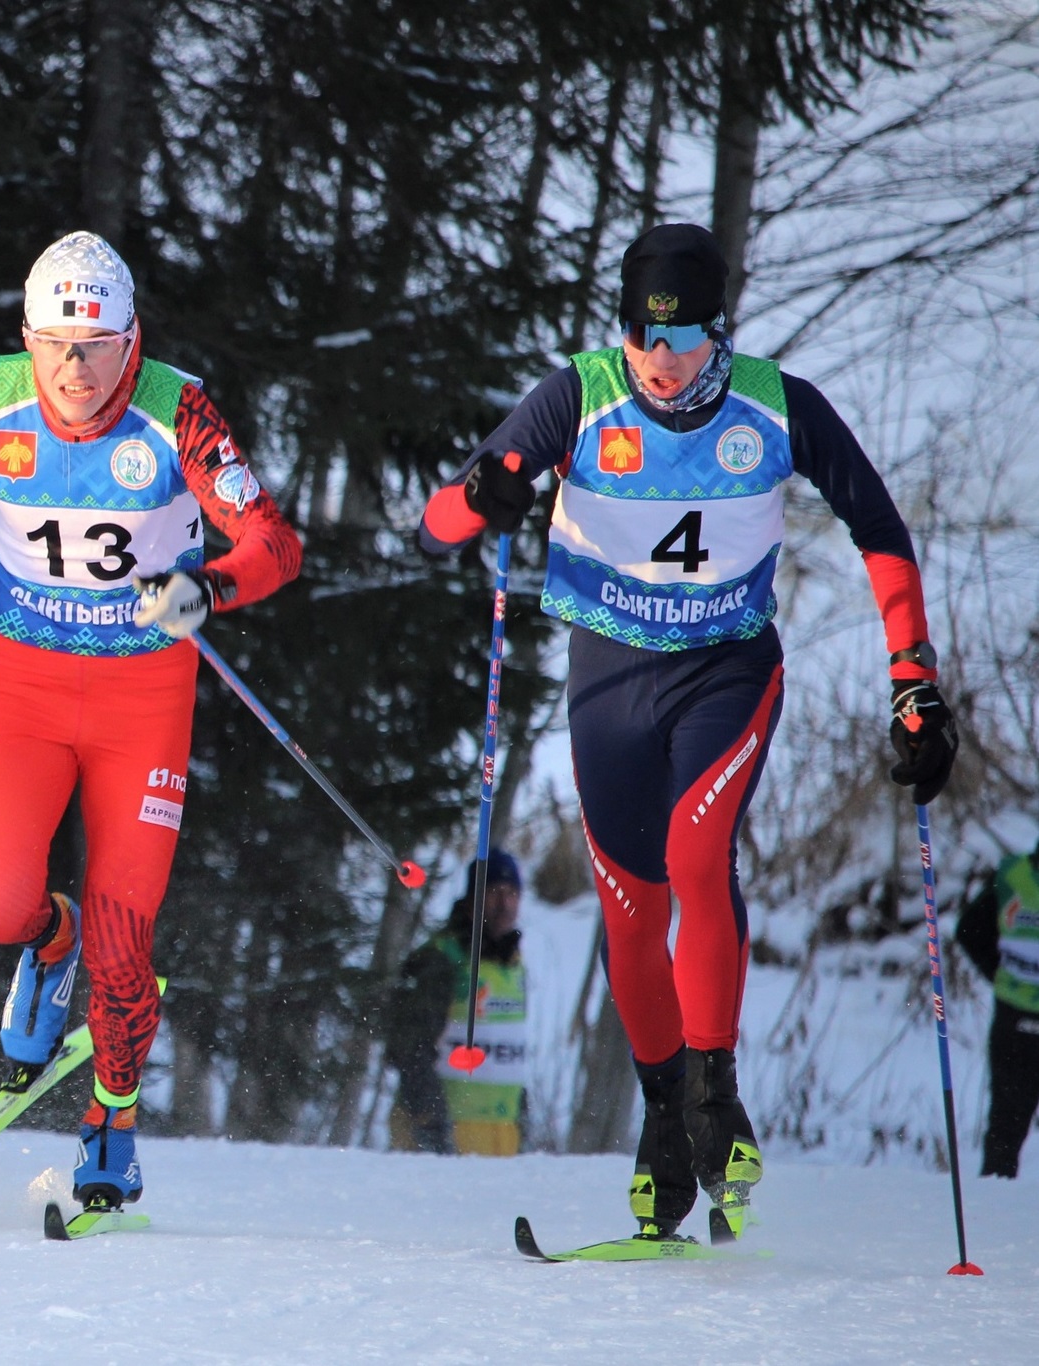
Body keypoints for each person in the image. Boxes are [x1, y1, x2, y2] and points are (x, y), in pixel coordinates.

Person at [419, 223, 958, 1241]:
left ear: (720, 331)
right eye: (640, 338)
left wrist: (911, 680)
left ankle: (717, 1090)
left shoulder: (776, 404)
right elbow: (436, 525)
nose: (658, 362)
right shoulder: (577, 395)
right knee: (629, 907)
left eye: (681, 340)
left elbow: (879, 528)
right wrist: (481, 495)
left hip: (726, 670)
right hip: (607, 680)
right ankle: (664, 1117)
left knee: (697, 854)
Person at [0, 230, 302, 1212]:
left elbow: (272, 542)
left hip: (142, 699)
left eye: (96, 343)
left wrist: (206, 588)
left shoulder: (176, 410)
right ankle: (45, 947)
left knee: (122, 941)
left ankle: (111, 1115)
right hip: (22, 686)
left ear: (130, 338)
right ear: (28, 336)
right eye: (56, 342)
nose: (74, 366)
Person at [384, 849, 527, 1156]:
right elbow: (409, 1048)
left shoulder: (514, 965)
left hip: (499, 1146)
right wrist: (431, 1123)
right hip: (440, 1144)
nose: (505, 904)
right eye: (494, 893)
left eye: (513, 893)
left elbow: (511, 1054)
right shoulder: (441, 958)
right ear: (473, 899)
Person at [956, 841, 1039, 1178]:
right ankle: (993, 1208)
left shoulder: (1013, 873)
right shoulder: (1012, 874)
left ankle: (993, 1205)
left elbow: (969, 930)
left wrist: (1000, 974)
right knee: (1006, 1126)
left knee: (1005, 1125)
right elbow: (969, 930)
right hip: (1015, 1016)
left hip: (1013, 1013)